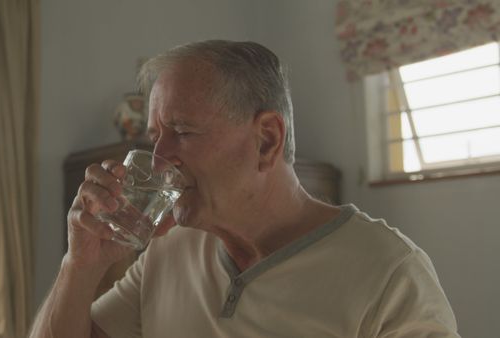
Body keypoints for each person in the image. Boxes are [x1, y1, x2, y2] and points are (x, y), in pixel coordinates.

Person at [30, 40, 459, 338]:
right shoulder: (167, 252)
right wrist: (80, 266)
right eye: (154, 137)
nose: (159, 160)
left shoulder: (391, 273)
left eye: (181, 131)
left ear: (267, 140)